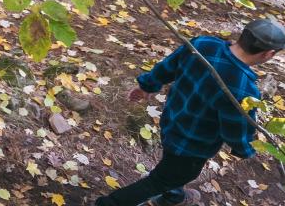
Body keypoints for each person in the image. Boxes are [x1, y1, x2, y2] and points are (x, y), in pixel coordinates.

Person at [96, 18, 284, 206]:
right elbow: (235, 130)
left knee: (172, 168)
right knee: (161, 180)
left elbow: (168, 66)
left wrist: (147, 86)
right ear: (268, 53)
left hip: (172, 121)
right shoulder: (244, 89)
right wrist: (245, 149)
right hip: (193, 146)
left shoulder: (202, 44)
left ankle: (174, 197)